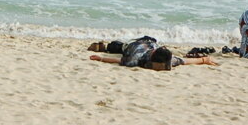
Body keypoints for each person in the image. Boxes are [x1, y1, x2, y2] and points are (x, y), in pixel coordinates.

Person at [89, 39, 217, 70]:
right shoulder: (136, 59)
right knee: (117, 47)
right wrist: (101, 58)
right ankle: (103, 46)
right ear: (152, 60)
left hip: (151, 42)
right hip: (135, 45)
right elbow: (118, 61)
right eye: (160, 66)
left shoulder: (168, 60)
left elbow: (184, 61)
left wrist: (205, 60)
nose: (164, 68)